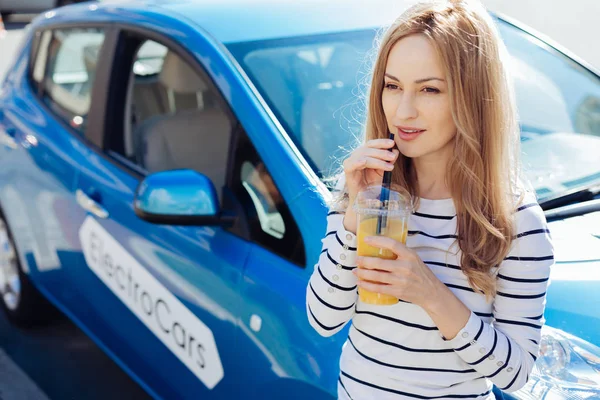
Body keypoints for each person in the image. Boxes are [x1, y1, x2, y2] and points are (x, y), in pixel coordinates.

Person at [305, 1, 554, 399]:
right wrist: (353, 218)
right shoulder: (364, 188)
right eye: (392, 86)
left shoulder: (515, 219)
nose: (403, 111)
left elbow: (517, 374)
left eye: (429, 89)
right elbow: (322, 319)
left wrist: (431, 293)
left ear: (474, 98)